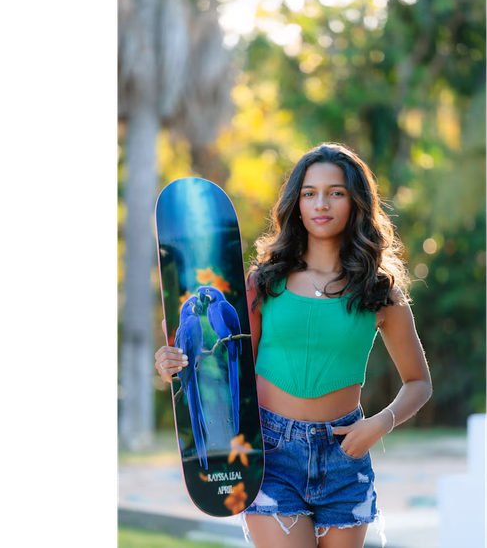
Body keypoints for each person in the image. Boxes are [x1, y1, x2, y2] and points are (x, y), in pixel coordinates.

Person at [154, 143, 431, 548]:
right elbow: (231, 368)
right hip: (269, 452)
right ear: (296, 203)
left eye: (336, 192)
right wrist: (175, 363)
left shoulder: (379, 292)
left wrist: (379, 424)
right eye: (309, 193)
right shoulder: (264, 282)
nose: (322, 203)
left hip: (345, 454)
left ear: (355, 202)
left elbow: (418, 382)